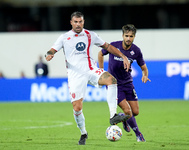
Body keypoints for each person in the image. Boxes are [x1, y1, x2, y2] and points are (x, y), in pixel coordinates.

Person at [45, 11, 130, 145]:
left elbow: (107, 46)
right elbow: (52, 50)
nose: (78, 24)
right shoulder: (64, 37)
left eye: (80, 22)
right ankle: (83, 133)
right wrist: (49, 54)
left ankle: (113, 115)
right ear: (71, 22)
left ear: (83, 22)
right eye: (75, 22)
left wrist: (123, 56)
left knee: (111, 80)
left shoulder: (90, 35)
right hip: (75, 75)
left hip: (91, 70)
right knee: (77, 108)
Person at [98, 24, 151, 142]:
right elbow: (100, 53)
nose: (128, 38)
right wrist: (101, 71)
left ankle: (124, 119)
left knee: (135, 112)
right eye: (126, 36)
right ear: (122, 35)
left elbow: (144, 67)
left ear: (134, 37)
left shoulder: (136, 51)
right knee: (128, 111)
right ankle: (139, 135)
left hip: (128, 83)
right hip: (114, 85)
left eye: (131, 36)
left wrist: (145, 74)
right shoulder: (114, 46)